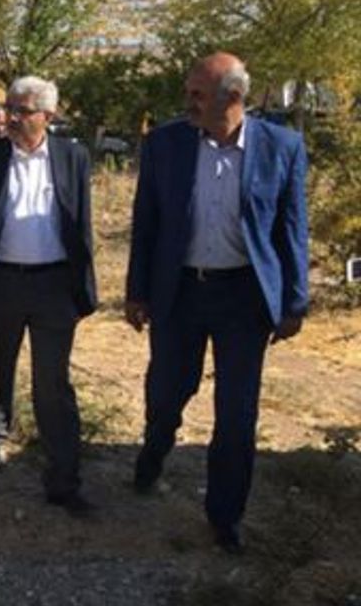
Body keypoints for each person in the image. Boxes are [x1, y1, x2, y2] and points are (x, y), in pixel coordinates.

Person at [126, 52, 308, 555]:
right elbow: (147, 223)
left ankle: (225, 517)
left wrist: (294, 302)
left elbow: (293, 227)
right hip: (180, 291)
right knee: (168, 392)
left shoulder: (282, 147)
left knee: (236, 414)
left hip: (243, 298)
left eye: (198, 94)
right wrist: (137, 292)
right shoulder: (165, 144)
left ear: (234, 97)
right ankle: (153, 454)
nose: (188, 101)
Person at [0, 76, 97, 517]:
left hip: (54, 286)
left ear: (47, 116)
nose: (11, 117)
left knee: (53, 382)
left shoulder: (72, 157)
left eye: (22, 111)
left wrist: (84, 292)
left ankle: (63, 477)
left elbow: (83, 227)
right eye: (9, 108)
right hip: (1, 282)